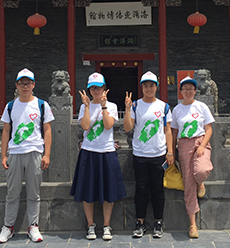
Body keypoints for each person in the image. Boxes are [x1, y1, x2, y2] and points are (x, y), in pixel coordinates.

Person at [0, 68, 54, 243]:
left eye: (28, 83)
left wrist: (47, 154)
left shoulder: (42, 105)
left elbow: (47, 130)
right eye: (22, 83)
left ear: (33, 85)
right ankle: (8, 227)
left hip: (34, 152)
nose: (25, 86)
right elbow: (6, 131)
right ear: (17, 85)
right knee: (12, 193)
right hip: (15, 153)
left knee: (33, 193)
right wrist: (3, 155)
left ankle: (33, 226)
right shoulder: (11, 106)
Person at [70, 72, 126, 241]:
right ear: (89, 89)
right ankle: (90, 225)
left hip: (107, 151)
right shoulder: (84, 107)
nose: (96, 90)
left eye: (99, 87)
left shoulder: (112, 106)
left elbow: (108, 126)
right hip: (89, 151)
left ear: (104, 88)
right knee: (88, 190)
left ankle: (107, 225)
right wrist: (87, 107)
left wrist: (103, 107)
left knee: (109, 190)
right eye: (93, 88)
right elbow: (85, 126)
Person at [124, 71, 174, 239]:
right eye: (145, 86)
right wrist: (127, 109)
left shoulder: (163, 106)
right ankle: (140, 222)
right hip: (140, 154)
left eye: (151, 85)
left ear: (156, 87)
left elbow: (168, 130)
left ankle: (158, 222)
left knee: (158, 189)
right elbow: (128, 128)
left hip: (158, 154)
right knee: (141, 189)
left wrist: (170, 151)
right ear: (141, 88)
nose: (148, 89)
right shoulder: (136, 105)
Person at [171, 76, 215, 239]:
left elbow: (209, 129)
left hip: (200, 142)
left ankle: (200, 181)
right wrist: (171, 151)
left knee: (202, 170)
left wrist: (202, 145)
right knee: (188, 185)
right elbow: (174, 132)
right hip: (183, 144)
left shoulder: (201, 107)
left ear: (195, 91)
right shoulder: (177, 110)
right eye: (185, 89)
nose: (188, 91)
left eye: (191, 89)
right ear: (181, 92)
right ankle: (192, 224)